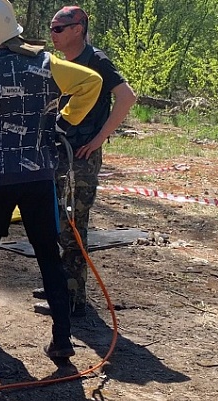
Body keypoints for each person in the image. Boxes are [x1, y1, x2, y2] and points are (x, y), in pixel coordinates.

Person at [0, 0, 102, 360]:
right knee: (48, 254)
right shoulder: (46, 62)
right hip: (38, 176)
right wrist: (63, 120)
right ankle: (62, 338)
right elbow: (92, 82)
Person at [33, 6, 137, 316]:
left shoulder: (96, 61)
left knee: (73, 225)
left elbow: (127, 96)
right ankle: (60, 283)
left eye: (59, 28)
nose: (53, 34)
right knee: (54, 222)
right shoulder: (63, 64)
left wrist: (98, 138)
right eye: (52, 28)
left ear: (78, 29)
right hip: (58, 152)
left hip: (81, 156)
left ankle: (73, 297)